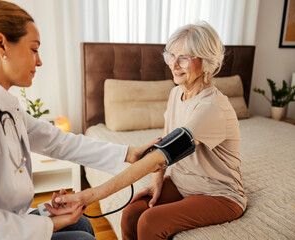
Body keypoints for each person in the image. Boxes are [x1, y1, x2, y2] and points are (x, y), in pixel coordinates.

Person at [0, 1, 152, 239]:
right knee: (82, 237)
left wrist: (127, 152)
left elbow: (57, 141)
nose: (39, 61)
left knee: (80, 225)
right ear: (0, 44)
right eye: (33, 49)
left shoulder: (2, 103)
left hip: (7, 217)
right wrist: (51, 225)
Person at [55, 22, 246, 240]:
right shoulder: (176, 94)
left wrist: (89, 196)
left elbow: (159, 157)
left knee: (150, 221)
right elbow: (164, 142)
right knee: (131, 214)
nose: (174, 65)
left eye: (184, 58)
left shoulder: (212, 107)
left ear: (207, 62)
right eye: (171, 56)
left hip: (219, 195)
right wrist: (157, 181)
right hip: (184, 183)